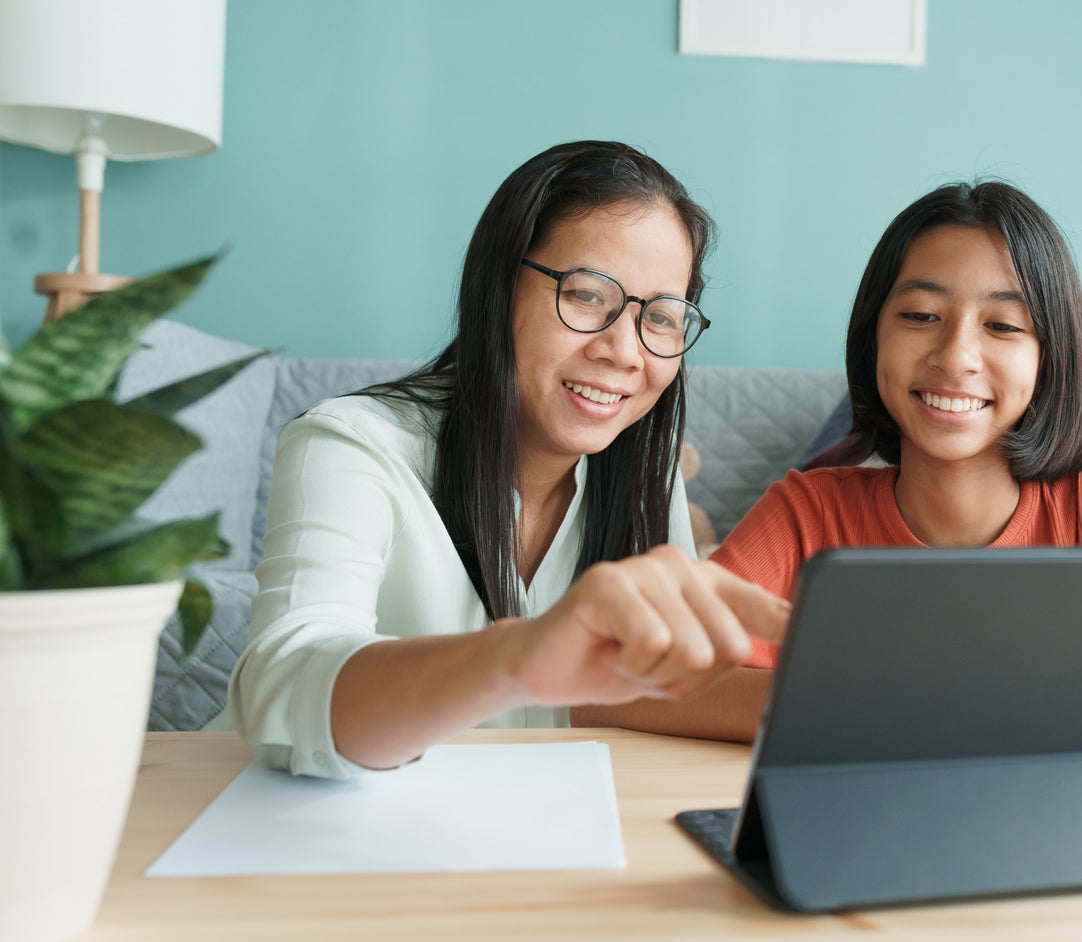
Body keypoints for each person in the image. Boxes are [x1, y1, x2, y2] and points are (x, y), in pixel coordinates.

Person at [576, 181, 1082, 764]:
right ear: (874, 340)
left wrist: (1065, 709)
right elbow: (612, 689)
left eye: (1004, 325)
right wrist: (881, 710)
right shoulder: (809, 512)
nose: (956, 355)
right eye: (922, 316)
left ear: (1052, 357)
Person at [229, 141, 788, 778]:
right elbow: (279, 694)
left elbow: (652, 688)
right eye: (585, 295)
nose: (626, 351)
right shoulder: (349, 444)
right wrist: (516, 658)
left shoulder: (643, 471)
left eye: (661, 317)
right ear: (497, 289)